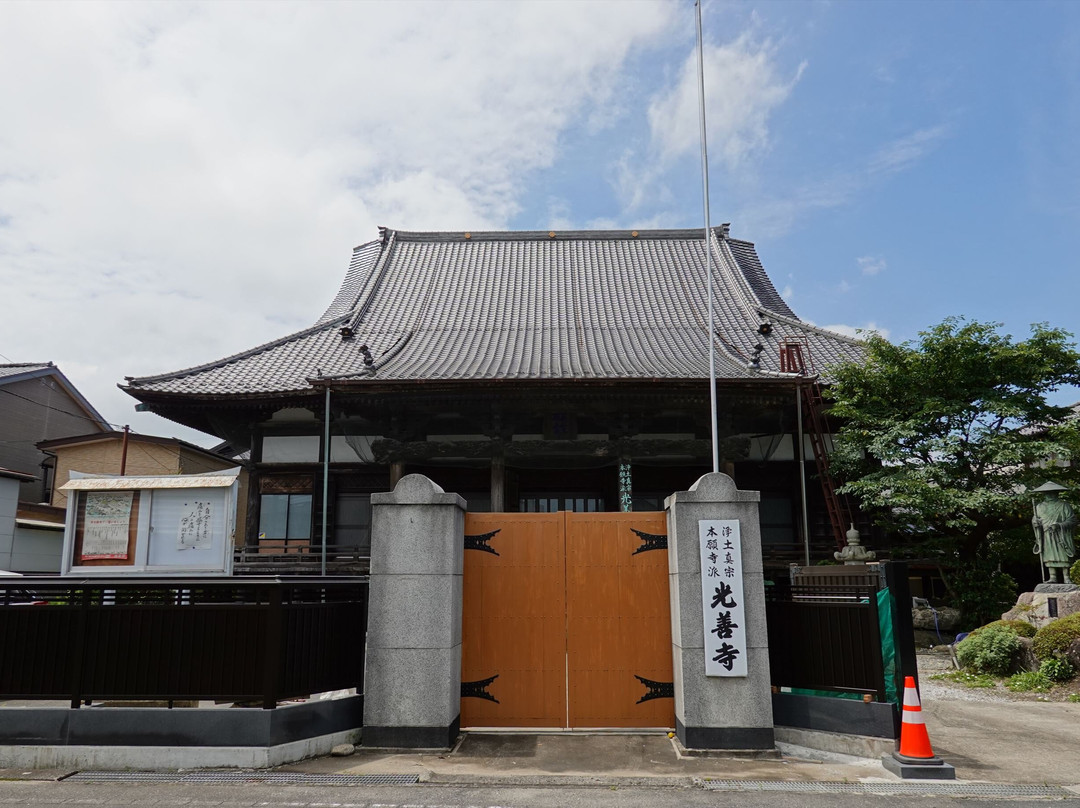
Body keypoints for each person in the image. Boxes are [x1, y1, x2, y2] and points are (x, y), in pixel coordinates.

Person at [1031, 481, 1077, 583]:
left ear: (1057, 493)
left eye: (1052, 492)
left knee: (1063, 554)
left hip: (1061, 536)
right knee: (1049, 555)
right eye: (1047, 493)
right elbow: (1035, 520)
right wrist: (1036, 523)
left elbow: (1072, 520)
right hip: (1047, 535)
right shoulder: (1039, 507)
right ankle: (1052, 577)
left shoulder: (1064, 505)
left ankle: (1066, 577)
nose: (1050, 495)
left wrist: (1059, 525)